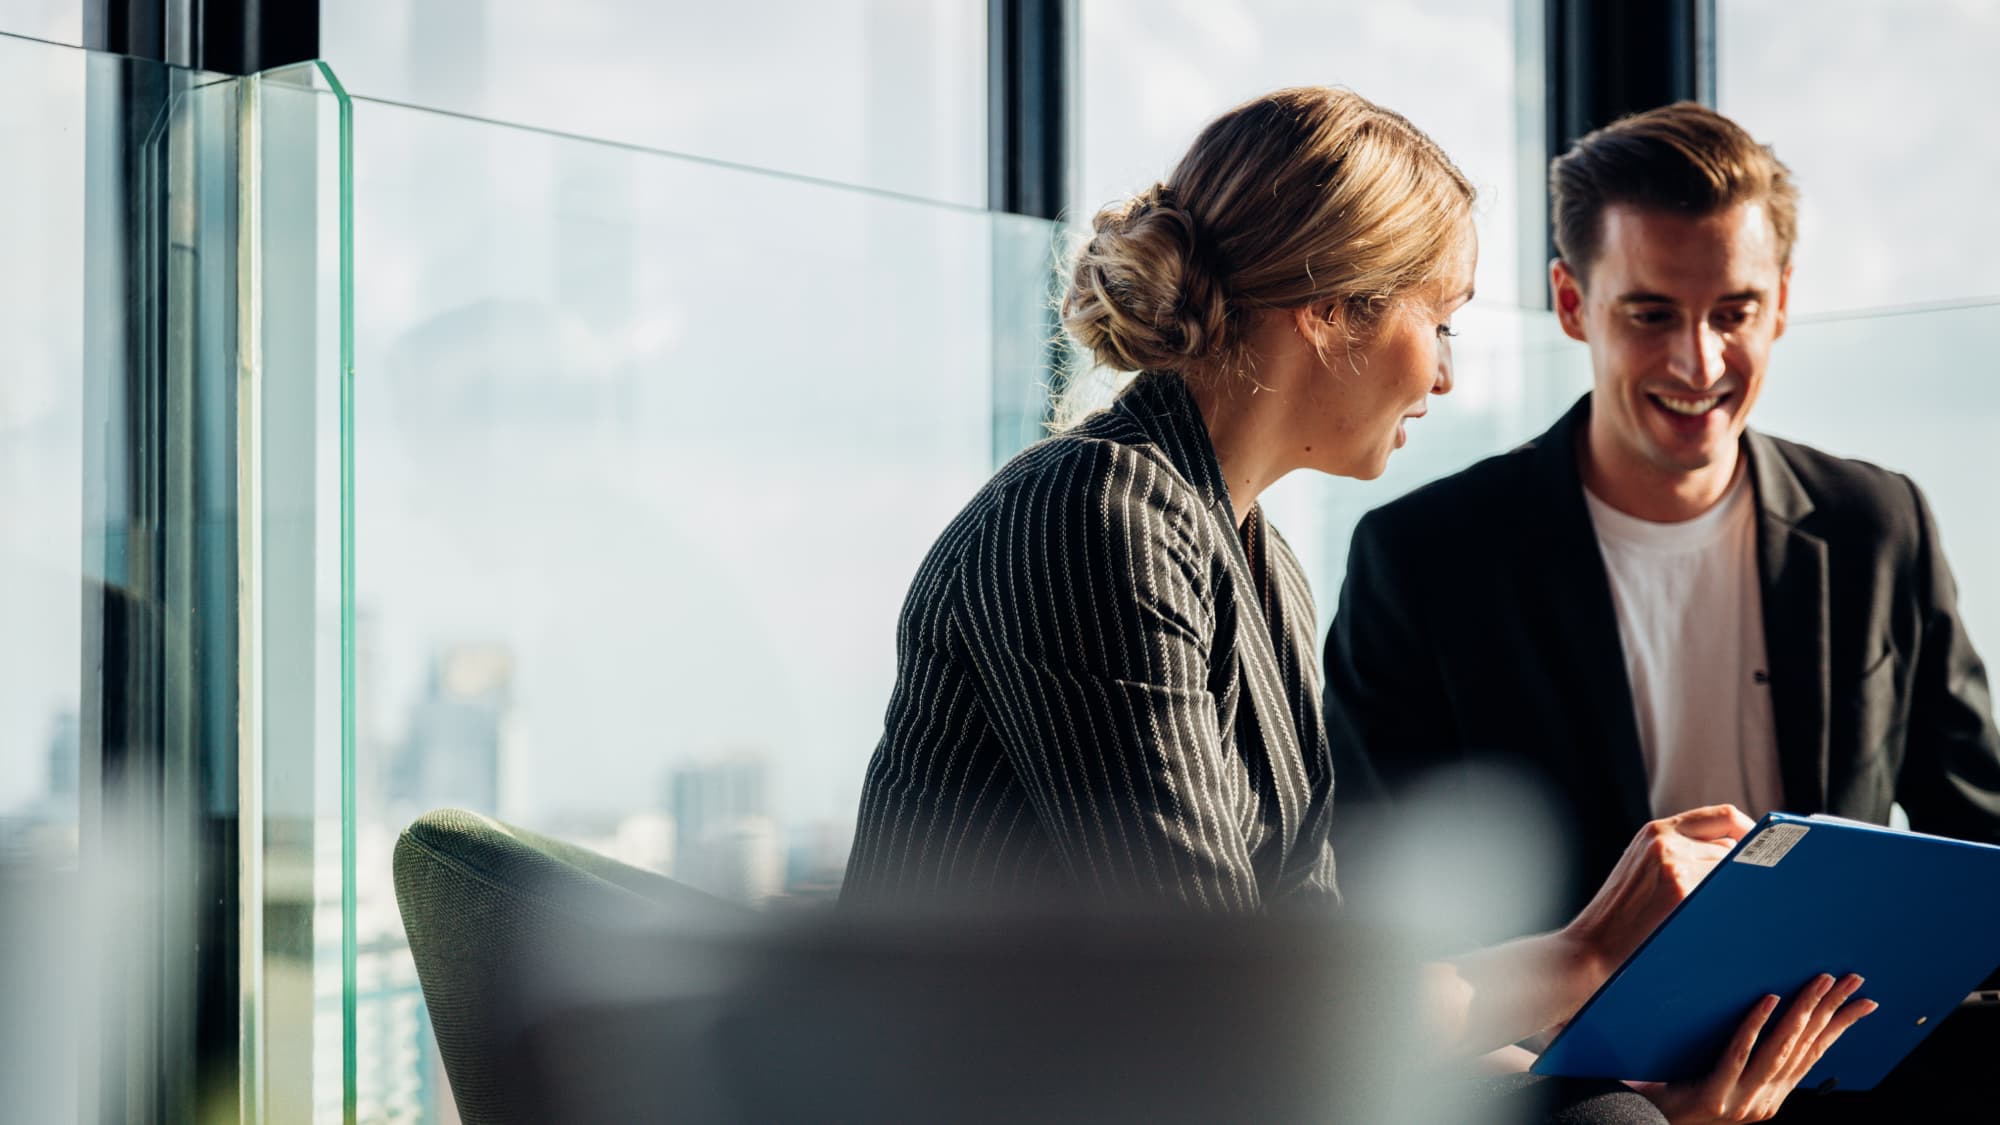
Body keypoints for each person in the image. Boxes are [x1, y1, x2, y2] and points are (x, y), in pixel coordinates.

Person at [842, 88, 1871, 1123]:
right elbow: (1231, 1023)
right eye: (1439, 321)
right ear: (1331, 308)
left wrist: (1639, 1093)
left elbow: (1322, 1000)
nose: (1445, 376)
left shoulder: (1259, 569)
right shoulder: (1094, 515)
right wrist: (1588, 952)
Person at [1319, 102, 2000, 1120]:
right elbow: (1383, 909)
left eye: (1732, 310)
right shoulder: (1423, 559)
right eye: (1649, 314)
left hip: (1840, 1058)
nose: (1697, 362)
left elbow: (1973, 832)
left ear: (1778, 306)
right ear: (1569, 303)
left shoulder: (1875, 521)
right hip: (1569, 1089)